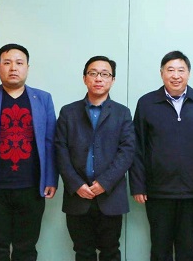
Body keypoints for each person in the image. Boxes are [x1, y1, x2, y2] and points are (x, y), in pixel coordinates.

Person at [0, 43, 58, 261]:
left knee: (26, 248)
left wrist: (51, 179)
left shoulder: (43, 99)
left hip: (32, 187)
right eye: (7, 63)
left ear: (27, 68)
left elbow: (50, 142)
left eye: (19, 63)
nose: (13, 68)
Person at [129, 50, 193, 261]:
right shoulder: (147, 103)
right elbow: (137, 146)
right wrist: (138, 185)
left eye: (181, 70)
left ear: (189, 73)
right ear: (162, 73)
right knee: (160, 249)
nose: (176, 75)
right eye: (170, 70)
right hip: (157, 190)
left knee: (187, 249)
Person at [55, 56, 135, 261]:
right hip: (78, 196)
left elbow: (127, 151)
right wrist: (76, 184)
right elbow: (60, 151)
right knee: (83, 252)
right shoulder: (68, 112)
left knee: (110, 252)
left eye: (105, 74)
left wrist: (104, 183)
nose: (98, 78)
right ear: (84, 78)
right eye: (93, 73)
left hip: (110, 196)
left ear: (112, 80)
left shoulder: (122, 113)